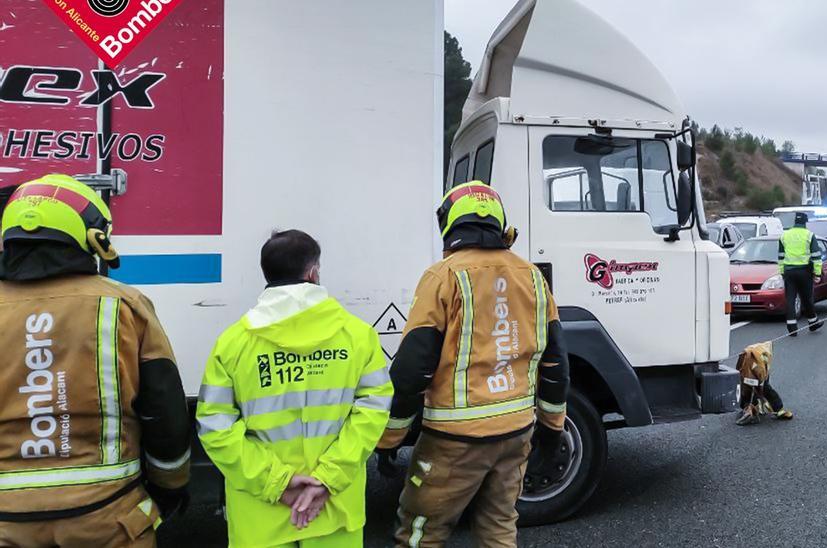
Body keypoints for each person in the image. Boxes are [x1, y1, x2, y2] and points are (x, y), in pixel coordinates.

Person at [0, 174, 190, 547]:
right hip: (108, 519)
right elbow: (165, 410)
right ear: (93, 238)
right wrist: (171, 487)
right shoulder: (123, 305)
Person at [380, 181, 570, 548]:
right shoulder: (532, 276)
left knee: (420, 534)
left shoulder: (443, 276)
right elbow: (555, 362)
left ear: (450, 224)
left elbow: (411, 370)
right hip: (516, 434)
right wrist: (552, 428)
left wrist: (391, 437)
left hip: (453, 441)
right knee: (499, 527)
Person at [196, 229, 392, 547]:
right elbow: (374, 410)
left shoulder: (232, 344)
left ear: (266, 273)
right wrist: (328, 479)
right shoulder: (358, 336)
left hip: (261, 517)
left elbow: (214, 428)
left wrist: (279, 483)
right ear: (313, 273)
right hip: (334, 510)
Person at [777, 212, 823, 336]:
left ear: (795, 222)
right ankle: (813, 323)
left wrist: (782, 271)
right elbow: (816, 256)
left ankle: (792, 327)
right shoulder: (809, 235)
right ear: (805, 222)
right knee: (807, 297)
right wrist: (818, 273)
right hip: (804, 271)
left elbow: (780, 256)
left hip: (789, 271)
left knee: (790, 299)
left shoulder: (785, 235)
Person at [734, 341, 794, 426]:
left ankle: (775, 408)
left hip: (757, 369)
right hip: (749, 370)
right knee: (750, 389)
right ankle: (750, 407)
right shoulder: (751, 357)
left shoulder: (760, 357)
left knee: (763, 388)